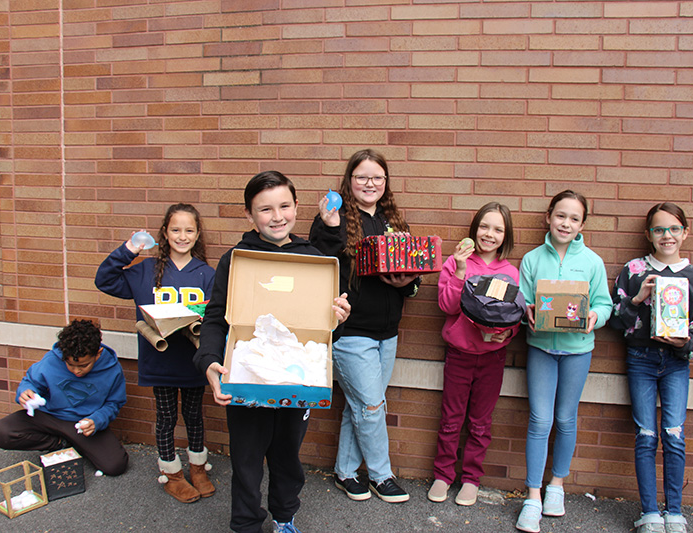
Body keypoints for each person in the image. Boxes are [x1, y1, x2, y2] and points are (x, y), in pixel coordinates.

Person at [193, 171, 351, 533]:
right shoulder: (236, 259)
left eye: (284, 206)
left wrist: (339, 318)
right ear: (250, 215)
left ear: (297, 207)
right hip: (247, 373)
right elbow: (217, 317)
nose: (277, 216)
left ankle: (284, 518)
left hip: (297, 375)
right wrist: (210, 361)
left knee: (287, 457)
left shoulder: (312, 257)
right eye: (265, 209)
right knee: (247, 460)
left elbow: (322, 330)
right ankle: (247, 525)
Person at [310, 148, 420, 504]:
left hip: (388, 332)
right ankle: (381, 475)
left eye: (377, 177)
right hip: (351, 331)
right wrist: (328, 228)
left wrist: (408, 284)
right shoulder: (333, 216)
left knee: (360, 404)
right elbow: (318, 266)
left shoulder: (395, 222)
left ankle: (344, 472)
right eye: (362, 177)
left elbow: (413, 275)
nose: (369, 183)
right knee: (372, 406)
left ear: (386, 183)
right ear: (349, 180)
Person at [95, 203, 216, 503]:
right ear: (165, 232)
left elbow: (215, 314)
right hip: (159, 361)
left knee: (194, 416)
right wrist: (129, 249)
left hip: (191, 363)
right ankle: (172, 474)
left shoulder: (206, 273)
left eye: (189, 230)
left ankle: (198, 468)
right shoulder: (146, 270)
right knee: (165, 417)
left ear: (198, 233)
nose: (182, 236)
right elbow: (105, 280)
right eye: (175, 229)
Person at [609, 203, 693, 533]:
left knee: (674, 434)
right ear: (648, 235)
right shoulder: (635, 269)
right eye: (658, 229)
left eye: (672, 229)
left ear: (685, 232)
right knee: (646, 434)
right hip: (640, 359)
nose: (666, 235)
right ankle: (650, 512)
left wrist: (687, 342)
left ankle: (675, 512)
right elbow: (615, 318)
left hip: (676, 364)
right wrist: (637, 299)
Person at [515, 190, 613, 533]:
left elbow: (605, 303)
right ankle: (533, 496)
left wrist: (594, 317)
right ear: (548, 217)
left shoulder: (592, 262)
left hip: (577, 350)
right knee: (540, 421)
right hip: (541, 348)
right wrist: (525, 310)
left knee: (566, 419)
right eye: (561, 216)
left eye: (574, 218)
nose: (566, 223)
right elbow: (523, 299)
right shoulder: (531, 259)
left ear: (582, 224)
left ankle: (556, 486)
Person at [427, 202, 525, 506]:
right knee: (451, 419)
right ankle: (443, 474)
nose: (489, 234)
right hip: (459, 354)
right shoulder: (458, 263)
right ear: (475, 229)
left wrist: (508, 333)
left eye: (498, 229)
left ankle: (471, 479)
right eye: (484, 226)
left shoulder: (510, 273)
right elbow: (447, 306)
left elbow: (516, 316)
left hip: (493, 358)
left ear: (505, 236)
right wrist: (459, 270)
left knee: (481, 422)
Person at [0, 319, 128, 476]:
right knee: (1, 432)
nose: (76, 371)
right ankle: (60, 443)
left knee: (116, 465)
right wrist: (26, 392)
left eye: (83, 366)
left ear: (98, 353)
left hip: (84, 424)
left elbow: (114, 403)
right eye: (70, 365)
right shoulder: (52, 359)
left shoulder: (113, 369)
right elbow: (30, 382)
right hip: (49, 416)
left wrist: (97, 420)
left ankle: (73, 442)